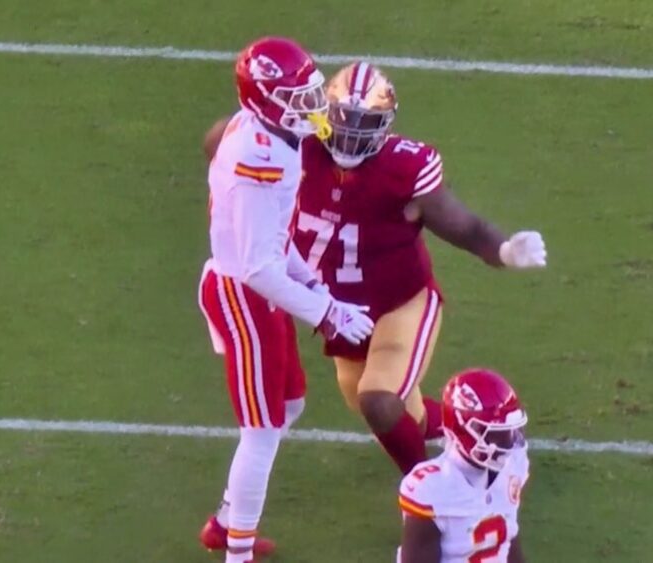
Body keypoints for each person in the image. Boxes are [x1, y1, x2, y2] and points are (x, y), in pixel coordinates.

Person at [292, 62, 547, 475]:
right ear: (325, 111)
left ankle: (425, 490)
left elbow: (461, 225)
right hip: (337, 311)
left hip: (400, 304)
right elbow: (223, 144)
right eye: (343, 118)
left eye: (365, 122)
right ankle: (488, 432)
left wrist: (501, 250)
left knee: (379, 399)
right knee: (385, 409)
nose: (352, 132)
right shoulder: (296, 144)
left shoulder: (404, 167)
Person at [196, 37, 375, 562]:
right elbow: (256, 267)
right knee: (262, 428)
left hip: (259, 289)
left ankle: (230, 521)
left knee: (289, 405)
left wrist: (314, 283)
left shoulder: (271, 134)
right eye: (298, 99)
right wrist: (328, 311)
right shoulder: (259, 157)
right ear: (266, 103)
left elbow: (275, 238)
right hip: (242, 294)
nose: (312, 108)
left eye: (310, 94)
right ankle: (236, 549)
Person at [397, 369, 530, 563]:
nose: (507, 443)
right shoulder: (432, 488)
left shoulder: (513, 466)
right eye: (494, 433)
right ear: (462, 431)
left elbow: (508, 537)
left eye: (508, 432)